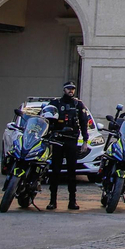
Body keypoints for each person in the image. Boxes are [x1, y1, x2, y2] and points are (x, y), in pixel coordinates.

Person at [47, 82, 89, 211]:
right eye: (69, 89)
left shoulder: (78, 104)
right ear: (63, 89)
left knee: (72, 172)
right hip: (58, 140)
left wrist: (85, 141)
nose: (71, 91)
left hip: (71, 140)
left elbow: (83, 123)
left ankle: (72, 201)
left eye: (73, 89)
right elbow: (47, 120)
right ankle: (52, 201)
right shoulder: (55, 104)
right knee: (55, 171)